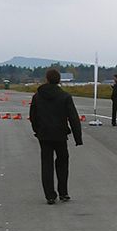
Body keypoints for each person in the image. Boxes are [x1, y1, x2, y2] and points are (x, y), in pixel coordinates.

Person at [28, 68, 83, 204]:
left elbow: (33, 116)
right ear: (59, 80)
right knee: (62, 162)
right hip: (60, 134)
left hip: (44, 134)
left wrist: (37, 130)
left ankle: (50, 195)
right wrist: (78, 137)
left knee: (46, 164)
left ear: (46, 79)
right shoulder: (65, 96)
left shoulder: (37, 96)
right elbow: (73, 118)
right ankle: (63, 192)